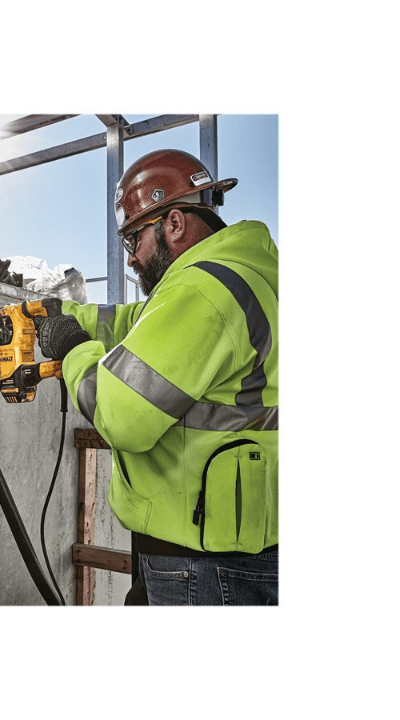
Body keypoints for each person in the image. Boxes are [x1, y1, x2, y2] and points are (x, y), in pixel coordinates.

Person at [34, 149, 278, 605]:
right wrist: (57, 313)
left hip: (203, 563)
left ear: (175, 224)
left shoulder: (202, 291)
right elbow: (136, 323)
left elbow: (121, 416)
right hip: (235, 541)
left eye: (133, 240)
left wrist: (70, 346)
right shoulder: (244, 275)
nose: (130, 260)